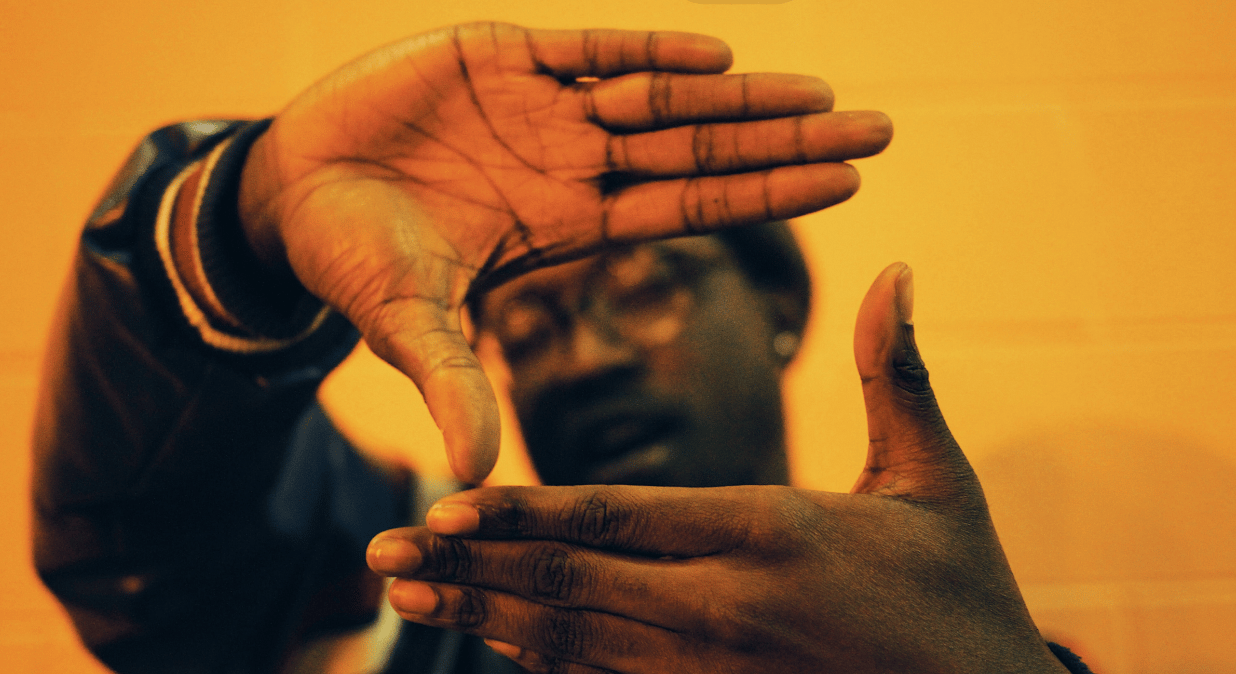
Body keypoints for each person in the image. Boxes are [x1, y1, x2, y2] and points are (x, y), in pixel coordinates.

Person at [31, 21, 1090, 674]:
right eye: (528, 329)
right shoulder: (401, 591)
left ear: (778, 305)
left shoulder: (916, 643)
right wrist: (246, 214)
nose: (584, 359)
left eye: (643, 291)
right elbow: (138, 548)